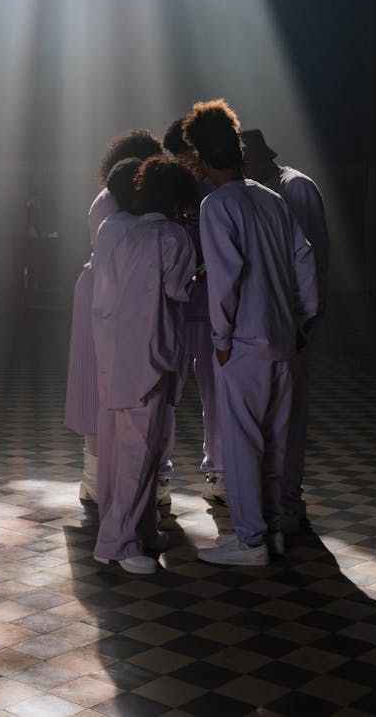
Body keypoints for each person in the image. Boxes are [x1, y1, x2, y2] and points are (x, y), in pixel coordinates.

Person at [183, 100, 318, 565]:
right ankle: (273, 523)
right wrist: (302, 320)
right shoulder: (272, 198)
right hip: (284, 337)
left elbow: (225, 278)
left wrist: (221, 341)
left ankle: (250, 540)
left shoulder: (216, 204)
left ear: (201, 156)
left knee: (242, 442)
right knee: (277, 437)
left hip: (243, 342)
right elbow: (303, 262)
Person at [92, 155, 198, 574]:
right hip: (152, 354)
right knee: (141, 453)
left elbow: (110, 293)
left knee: (129, 450)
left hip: (121, 352)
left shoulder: (125, 234)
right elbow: (177, 289)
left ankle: (140, 531)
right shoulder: (175, 237)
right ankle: (116, 543)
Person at [64, 130, 162, 503]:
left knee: (106, 383)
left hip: (106, 288)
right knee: (97, 382)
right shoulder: (111, 203)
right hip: (104, 292)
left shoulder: (117, 199)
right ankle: (95, 475)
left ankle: (98, 475)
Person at [241, 128, 330, 532]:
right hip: (269, 320)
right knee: (270, 415)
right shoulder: (260, 192)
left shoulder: (296, 188)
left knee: (289, 416)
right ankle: (271, 500)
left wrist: (303, 320)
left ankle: (289, 498)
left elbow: (312, 261)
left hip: (293, 320)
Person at [162, 118, 225, 506]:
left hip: (215, 308)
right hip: (175, 308)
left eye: (190, 157)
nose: (188, 166)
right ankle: (158, 473)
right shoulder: (166, 194)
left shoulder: (219, 191)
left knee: (216, 394)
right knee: (166, 391)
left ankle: (218, 471)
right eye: (178, 159)